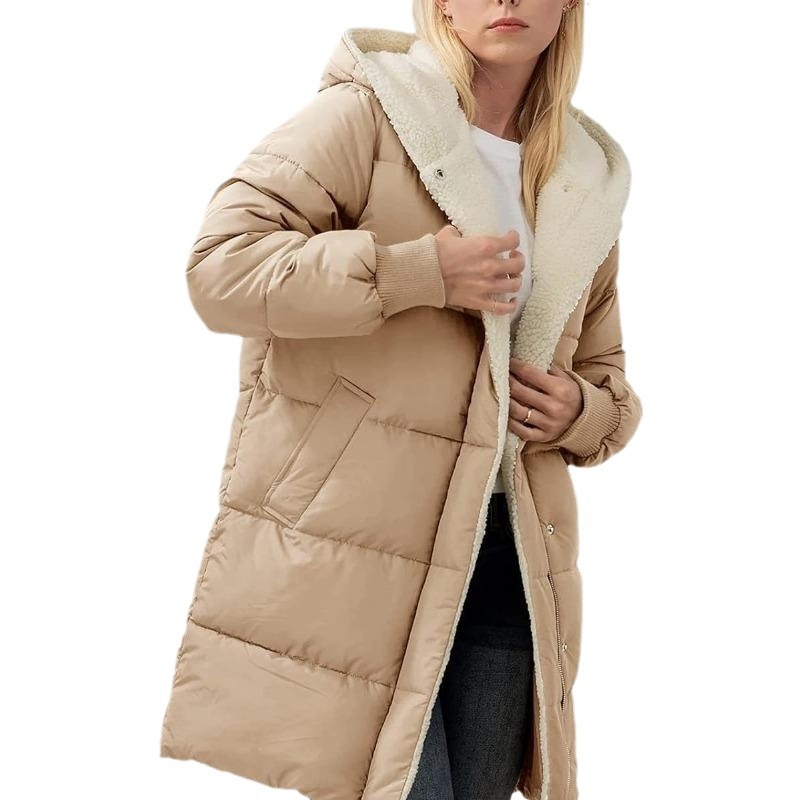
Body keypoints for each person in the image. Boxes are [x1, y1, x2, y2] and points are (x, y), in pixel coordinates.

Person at [160, 2, 642, 800]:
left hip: (509, 555)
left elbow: (607, 376)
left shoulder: (581, 174)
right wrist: (416, 273)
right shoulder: (367, 116)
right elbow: (221, 270)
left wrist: (581, 413)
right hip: (360, 541)